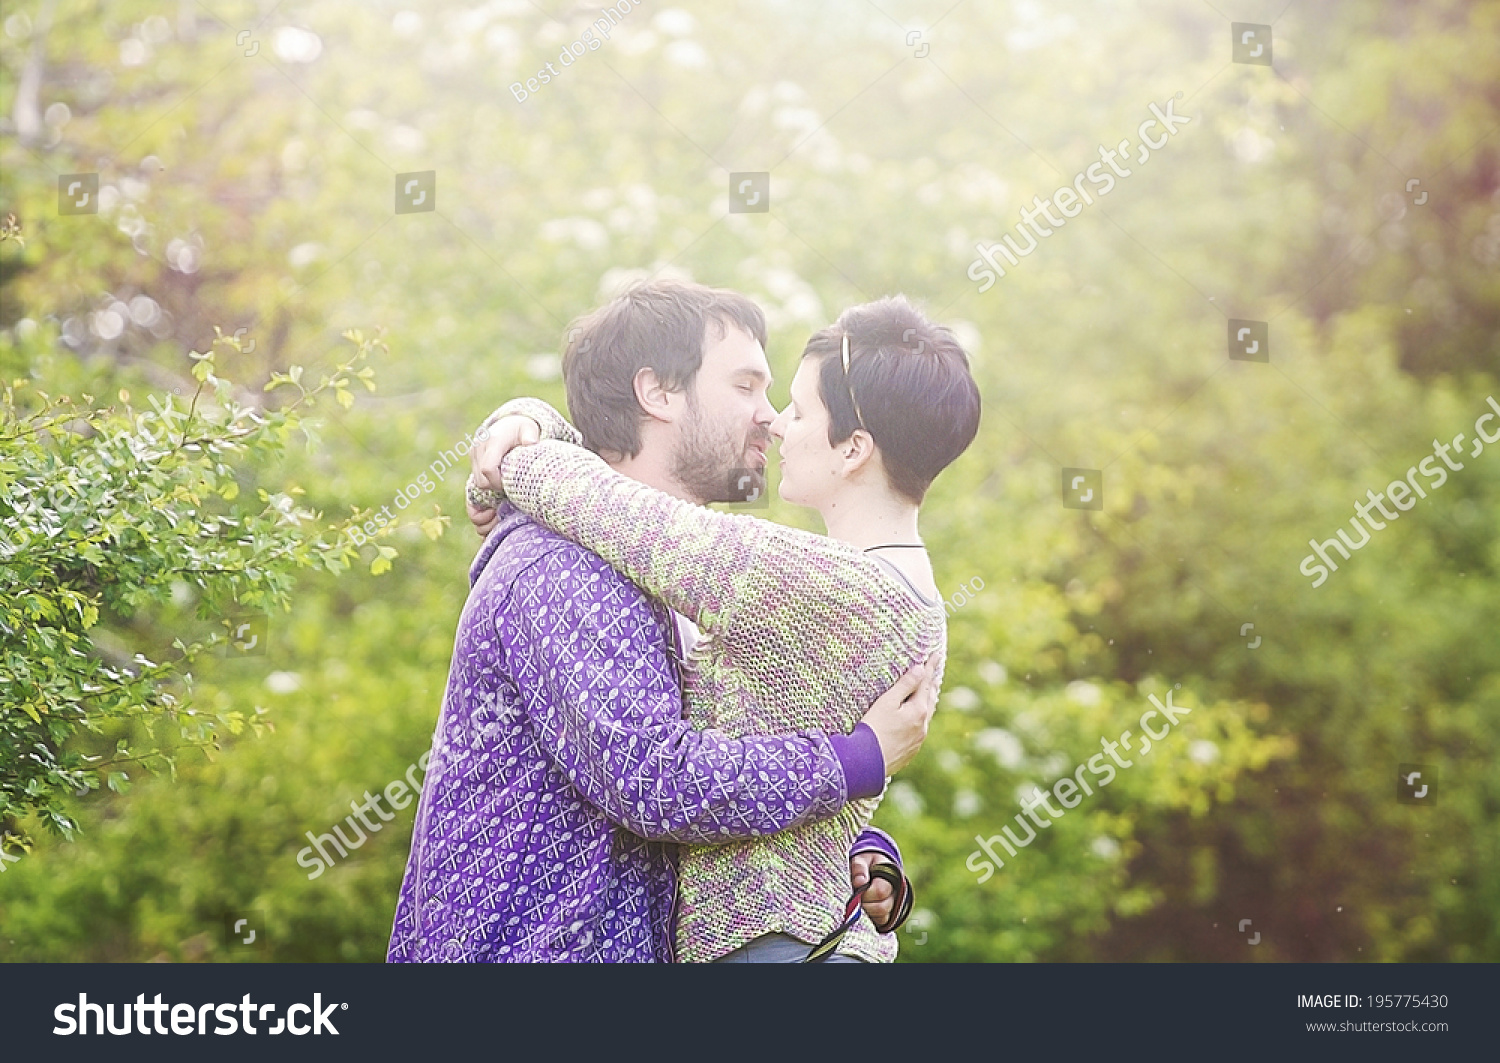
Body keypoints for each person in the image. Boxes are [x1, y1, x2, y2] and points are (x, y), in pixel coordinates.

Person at [387, 281, 937, 963]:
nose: (770, 418)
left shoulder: (661, 576)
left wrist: (851, 852)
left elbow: (726, 773)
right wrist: (854, 759)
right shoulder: (563, 567)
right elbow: (654, 778)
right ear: (659, 392)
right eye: (744, 386)